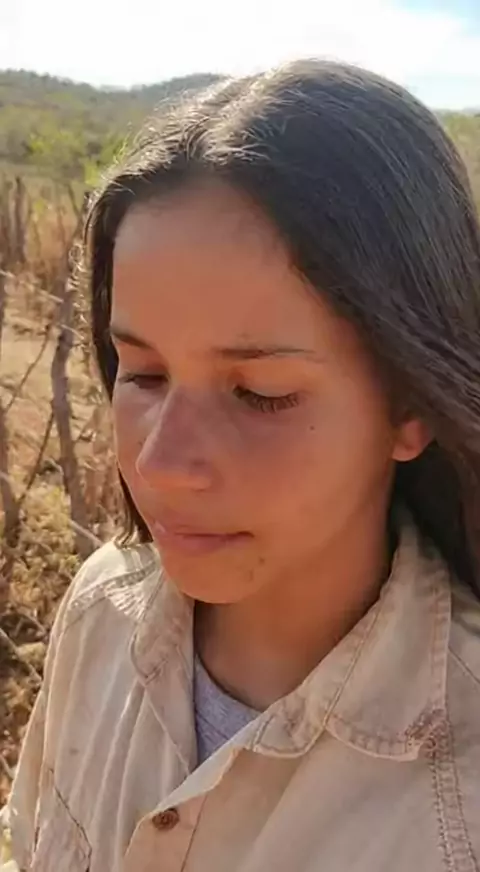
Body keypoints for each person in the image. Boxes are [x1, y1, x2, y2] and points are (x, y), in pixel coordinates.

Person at [2, 59, 480, 872]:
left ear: (411, 405)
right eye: (143, 375)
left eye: (259, 394)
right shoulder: (101, 607)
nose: (162, 463)